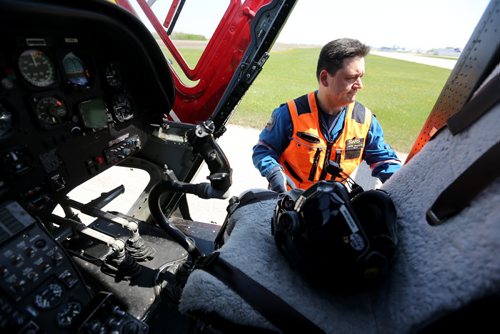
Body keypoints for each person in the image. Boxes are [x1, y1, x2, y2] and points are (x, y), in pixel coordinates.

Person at [252, 38, 402, 193]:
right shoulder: (290, 114)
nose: (360, 85)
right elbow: (263, 150)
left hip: (335, 205)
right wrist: (274, 172)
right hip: (290, 202)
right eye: (351, 78)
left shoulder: (365, 122)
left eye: (361, 77)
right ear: (325, 78)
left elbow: (385, 161)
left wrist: (404, 184)